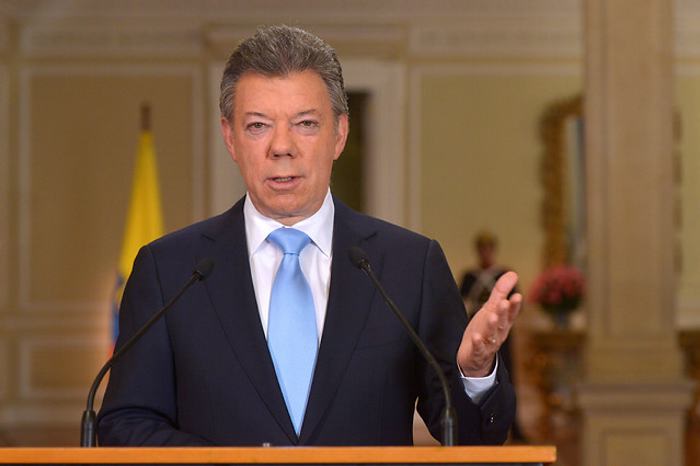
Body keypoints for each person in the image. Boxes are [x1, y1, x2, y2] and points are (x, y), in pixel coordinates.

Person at [97, 25, 521, 447]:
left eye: (305, 123)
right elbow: (126, 424)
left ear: (339, 134)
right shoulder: (168, 271)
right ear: (230, 137)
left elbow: (472, 437)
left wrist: (476, 372)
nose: (282, 146)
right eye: (258, 125)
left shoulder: (410, 265)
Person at [460, 231, 525, 441]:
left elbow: (516, 303)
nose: (485, 252)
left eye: (489, 248)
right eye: (482, 248)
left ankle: (514, 425)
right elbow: (462, 302)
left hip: (501, 334)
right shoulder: (469, 276)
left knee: (507, 376)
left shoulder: (502, 273)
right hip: (477, 332)